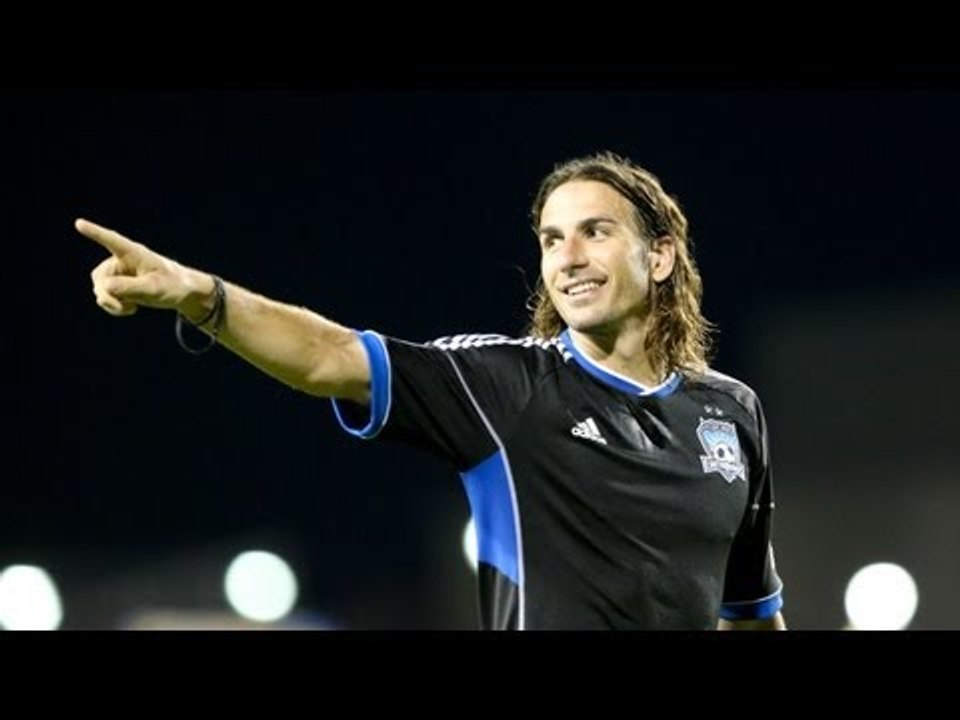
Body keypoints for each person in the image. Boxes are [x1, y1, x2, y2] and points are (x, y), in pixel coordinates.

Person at [79, 151, 785, 630]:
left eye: (594, 232)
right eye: (550, 239)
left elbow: (750, 609)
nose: (567, 257)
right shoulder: (505, 386)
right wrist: (200, 295)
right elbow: (331, 355)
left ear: (659, 255)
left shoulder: (730, 412)